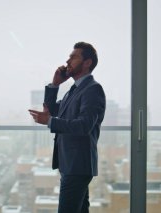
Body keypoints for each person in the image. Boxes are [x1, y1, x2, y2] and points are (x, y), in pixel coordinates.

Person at [28, 42, 106, 213]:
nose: (68, 61)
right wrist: (55, 85)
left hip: (78, 165)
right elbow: (52, 109)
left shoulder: (93, 90)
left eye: (73, 57)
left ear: (87, 63)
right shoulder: (75, 90)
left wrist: (49, 121)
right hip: (71, 164)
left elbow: (84, 125)